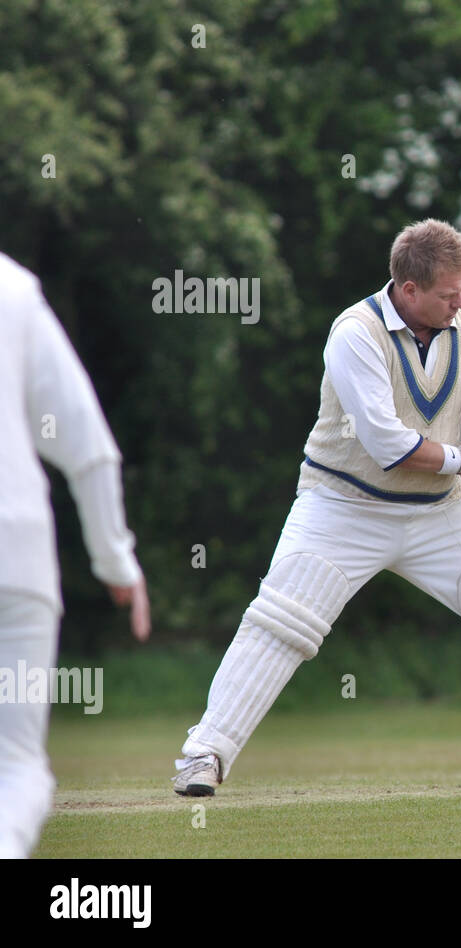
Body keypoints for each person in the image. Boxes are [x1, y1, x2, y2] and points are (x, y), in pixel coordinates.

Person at [172, 219, 461, 795]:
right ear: (409, 290)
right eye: (448, 293)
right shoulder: (354, 334)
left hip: (435, 512)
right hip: (342, 506)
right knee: (283, 619)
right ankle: (203, 755)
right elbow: (386, 445)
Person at [0, 252, 150, 858]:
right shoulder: (12, 288)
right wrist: (116, 562)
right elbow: (86, 444)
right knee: (16, 769)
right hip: (16, 559)